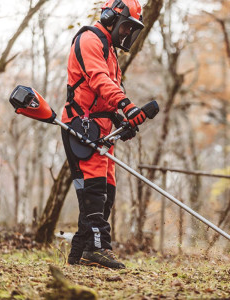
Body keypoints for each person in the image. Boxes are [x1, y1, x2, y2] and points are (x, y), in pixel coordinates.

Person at [61, 0, 146, 269]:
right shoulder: (89, 39)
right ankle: (98, 247)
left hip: (103, 129)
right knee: (94, 190)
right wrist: (126, 104)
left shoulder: (110, 51)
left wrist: (121, 118)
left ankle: (81, 252)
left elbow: (104, 94)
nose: (126, 33)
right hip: (83, 126)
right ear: (112, 16)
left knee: (106, 191)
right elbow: (98, 79)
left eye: (131, 29)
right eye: (126, 27)